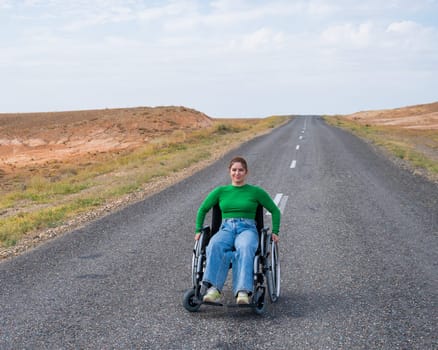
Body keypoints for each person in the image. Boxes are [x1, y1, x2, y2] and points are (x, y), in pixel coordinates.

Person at [195, 156, 281, 305]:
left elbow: (275, 210)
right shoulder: (221, 191)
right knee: (214, 245)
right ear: (230, 172)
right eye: (234, 170)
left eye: (241, 170)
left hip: (247, 229)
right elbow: (203, 209)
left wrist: (275, 231)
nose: (237, 173)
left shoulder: (255, 192)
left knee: (245, 247)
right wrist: (198, 230)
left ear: (246, 172)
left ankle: (243, 291)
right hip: (226, 228)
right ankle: (213, 289)